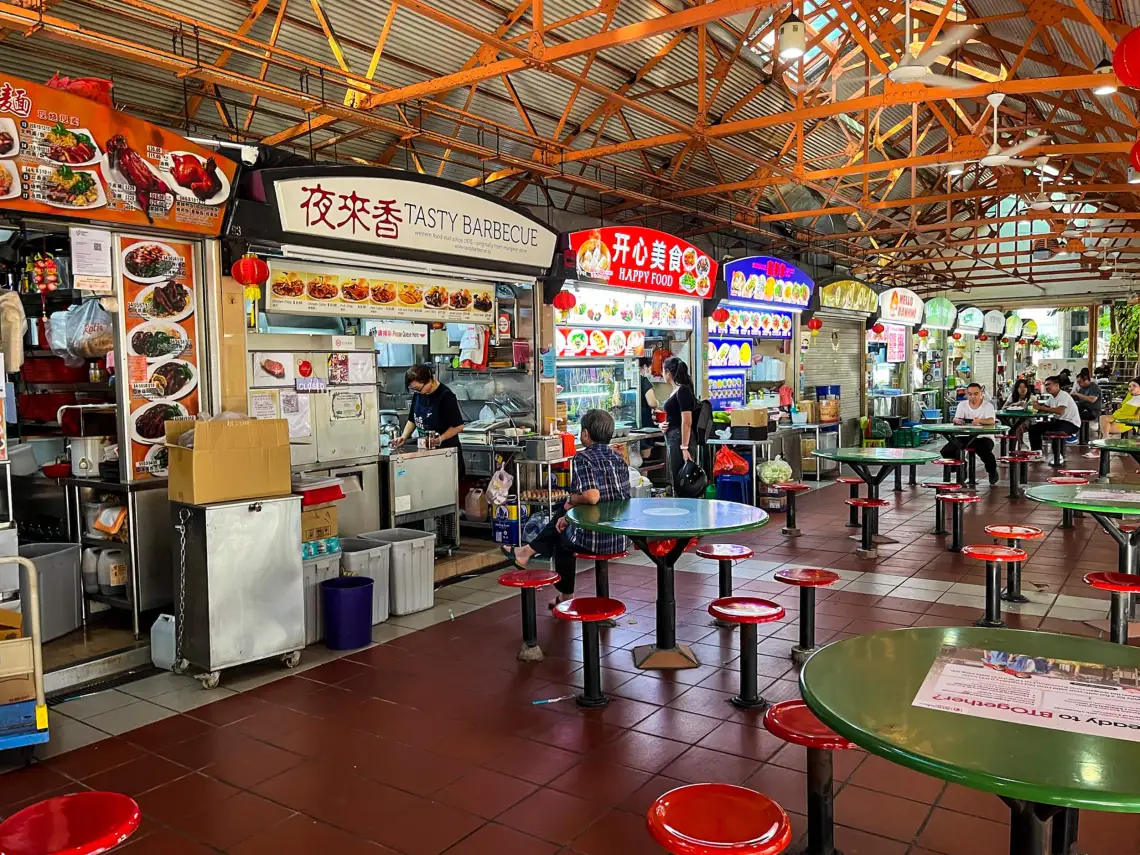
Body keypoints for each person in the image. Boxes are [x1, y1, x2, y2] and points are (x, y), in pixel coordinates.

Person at [500, 409, 630, 606]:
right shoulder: (618, 457)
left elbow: (592, 497)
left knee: (562, 540)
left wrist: (572, 500)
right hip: (621, 536)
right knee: (564, 515)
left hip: (599, 538)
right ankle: (527, 552)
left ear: (586, 434)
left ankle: (565, 594)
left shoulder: (583, 458)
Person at [394, 364, 466, 478]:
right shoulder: (419, 394)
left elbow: (458, 426)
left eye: (418, 389)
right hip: (425, 452)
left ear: (430, 381)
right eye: (413, 389)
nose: (416, 392)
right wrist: (404, 437)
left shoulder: (446, 396)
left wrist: (439, 440)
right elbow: (413, 419)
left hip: (445, 454)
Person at [945, 382, 999, 485]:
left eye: (975, 394)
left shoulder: (988, 406)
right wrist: (956, 420)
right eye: (970, 394)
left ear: (981, 393)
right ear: (967, 394)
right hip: (964, 436)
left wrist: (981, 421)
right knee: (947, 450)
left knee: (985, 452)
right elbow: (957, 418)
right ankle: (961, 467)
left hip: (984, 437)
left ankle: (992, 471)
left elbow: (991, 420)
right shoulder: (962, 405)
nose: (973, 397)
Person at [661, 356, 698, 496]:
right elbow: (675, 417)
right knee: (676, 477)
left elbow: (686, 421)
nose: (662, 374)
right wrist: (662, 425)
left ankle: (684, 511)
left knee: (681, 479)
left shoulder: (683, 391)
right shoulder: (676, 391)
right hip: (674, 436)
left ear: (668, 373)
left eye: (663, 371)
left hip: (679, 439)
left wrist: (684, 447)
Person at [1028, 375, 1081, 457]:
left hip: (1071, 423)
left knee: (1056, 433)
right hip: (1059, 422)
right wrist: (1036, 406)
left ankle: (1059, 456)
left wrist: (1041, 407)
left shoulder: (1063, 395)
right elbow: (1044, 408)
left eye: (1049, 384)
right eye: (1046, 385)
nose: (1047, 387)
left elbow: (1060, 411)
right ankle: (1037, 452)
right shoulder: (1052, 397)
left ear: (1057, 385)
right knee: (1033, 428)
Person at [637, 356, 660, 458]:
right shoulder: (644, 380)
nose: (649, 372)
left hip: (633, 425)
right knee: (645, 456)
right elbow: (652, 403)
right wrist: (657, 403)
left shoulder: (628, 381)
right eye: (650, 369)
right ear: (645, 367)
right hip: (644, 425)